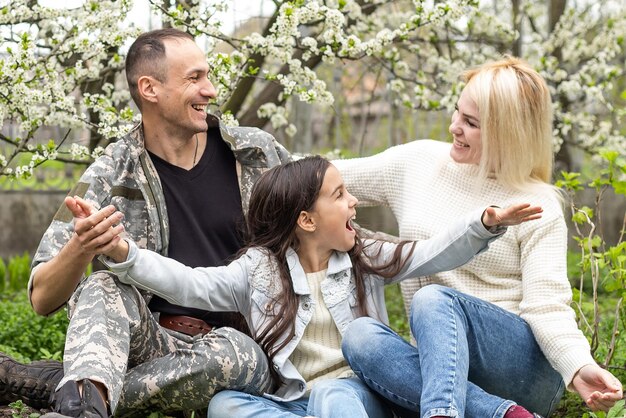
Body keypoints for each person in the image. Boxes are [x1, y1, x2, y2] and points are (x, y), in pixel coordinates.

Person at [87, 155, 543, 418]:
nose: (354, 201)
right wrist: (127, 254)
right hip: (297, 404)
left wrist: (482, 224)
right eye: (340, 194)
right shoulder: (258, 270)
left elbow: (429, 252)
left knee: (334, 393)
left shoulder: (362, 253)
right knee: (225, 406)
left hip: (358, 393)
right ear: (306, 220)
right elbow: (188, 283)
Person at [0, 28, 291, 417]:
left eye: (207, 75)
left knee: (236, 355)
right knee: (104, 283)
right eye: (194, 79)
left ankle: (69, 389)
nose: (211, 90)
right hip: (155, 340)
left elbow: (323, 205)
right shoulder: (112, 173)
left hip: (245, 347)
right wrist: (80, 247)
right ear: (150, 89)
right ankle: (83, 406)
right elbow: (41, 298)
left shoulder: (256, 153)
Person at [333, 56, 624, 417]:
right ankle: (500, 414)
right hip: (443, 364)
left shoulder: (538, 204)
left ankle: (442, 412)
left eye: (471, 123)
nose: (454, 126)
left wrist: (579, 366)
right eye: (458, 112)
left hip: (522, 368)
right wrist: (250, 158)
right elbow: (324, 178)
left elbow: (546, 307)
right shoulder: (419, 162)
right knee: (360, 337)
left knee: (432, 299)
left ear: (508, 135)